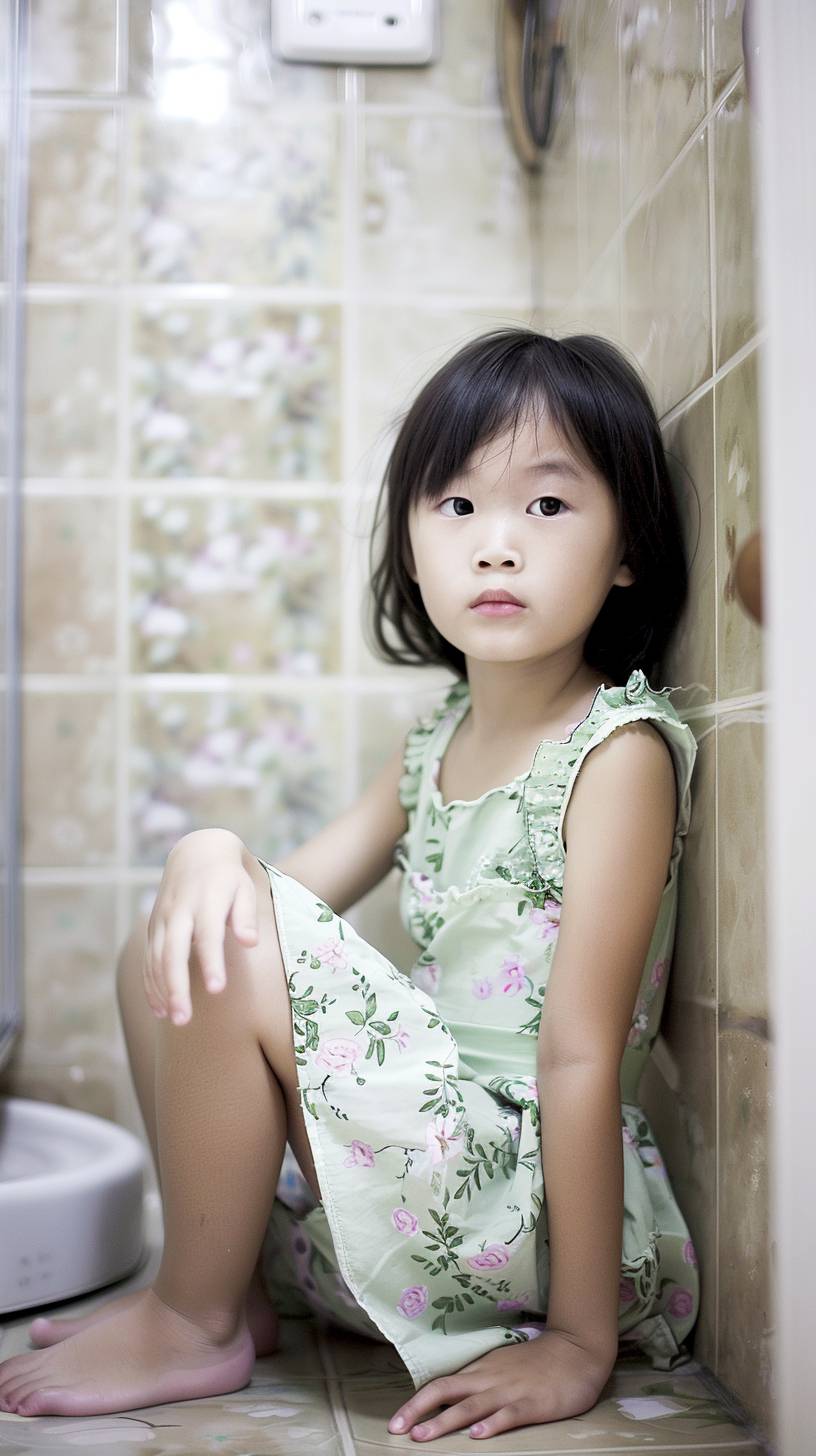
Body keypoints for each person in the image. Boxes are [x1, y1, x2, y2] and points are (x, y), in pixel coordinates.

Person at [0, 328, 701, 1439]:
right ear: (413, 544)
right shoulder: (436, 743)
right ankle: (219, 1285)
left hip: (530, 1201)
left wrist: (578, 1343)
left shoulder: (618, 753)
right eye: (458, 508)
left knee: (226, 927)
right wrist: (210, 850)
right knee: (189, 923)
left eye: (549, 507)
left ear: (627, 549)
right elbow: (277, 897)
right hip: (441, 1171)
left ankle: (195, 1318)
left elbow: (580, 1050)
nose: (497, 547)